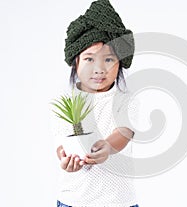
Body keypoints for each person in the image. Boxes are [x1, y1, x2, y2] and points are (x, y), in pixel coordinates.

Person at [52, 0, 139, 206]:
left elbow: (124, 131)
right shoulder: (64, 102)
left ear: (120, 65)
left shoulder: (125, 99)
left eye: (108, 60)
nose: (99, 68)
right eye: (89, 59)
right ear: (76, 62)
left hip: (119, 202)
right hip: (74, 201)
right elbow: (61, 142)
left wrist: (108, 147)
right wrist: (65, 161)